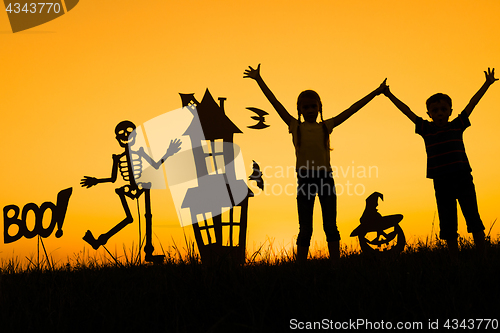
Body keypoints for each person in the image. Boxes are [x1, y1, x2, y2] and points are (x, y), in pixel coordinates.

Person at [244, 64, 387, 263]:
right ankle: (301, 266)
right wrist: (259, 79)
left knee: (330, 224)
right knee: (305, 227)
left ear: (319, 107)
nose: (310, 110)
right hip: (305, 180)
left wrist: (376, 92)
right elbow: (275, 103)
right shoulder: (295, 126)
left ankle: (335, 263)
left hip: (326, 179)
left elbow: (352, 109)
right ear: (300, 109)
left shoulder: (326, 126)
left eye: (314, 106)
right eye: (306, 107)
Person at [383, 68, 498, 261]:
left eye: (443, 109)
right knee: (448, 222)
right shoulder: (425, 129)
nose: (439, 113)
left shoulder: (457, 124)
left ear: (450, 111)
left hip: (462, 178)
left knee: (473, 217)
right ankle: (454, 260)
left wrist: (486, 84)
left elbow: (472, 104)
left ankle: (483, 257)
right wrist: (388, 94)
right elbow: (407, 112)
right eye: (435, 110)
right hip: (441, 181)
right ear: (429, 113)